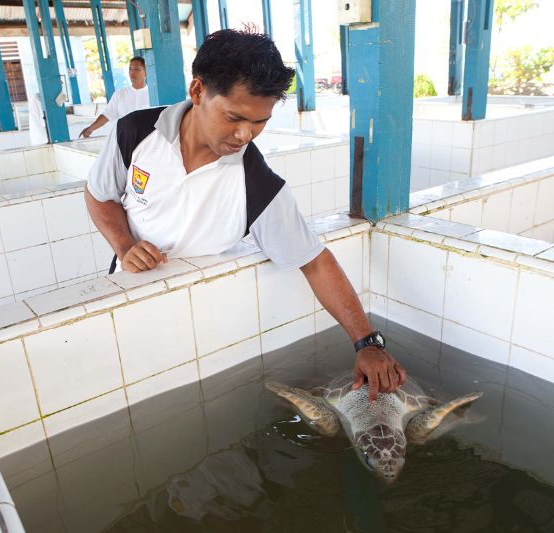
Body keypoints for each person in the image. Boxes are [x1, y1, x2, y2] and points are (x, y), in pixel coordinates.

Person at [84, 29, 406, 401]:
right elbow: (100, 196)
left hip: (202, 335)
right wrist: (125, 246)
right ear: (198, 91)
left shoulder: (257, 182)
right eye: (234, 116)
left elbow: (315, 262)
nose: (245, 134)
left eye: (259, 122)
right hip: (128, 307)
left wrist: (367, 342)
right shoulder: (135, 132)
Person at [80, 56, 150, 138]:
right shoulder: (120, 94)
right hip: (126, 138)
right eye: (130, 69)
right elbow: (107, 114)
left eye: (136, 69)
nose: (132, 72)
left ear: (145, 71)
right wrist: (91, 129)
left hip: (147, 139)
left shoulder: (152, 94)